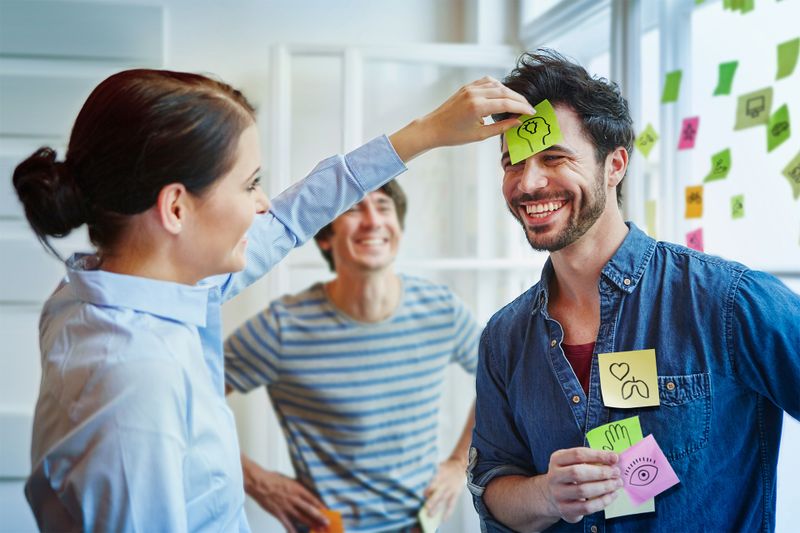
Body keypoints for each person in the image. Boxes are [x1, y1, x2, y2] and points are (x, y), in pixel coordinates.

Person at [12, 68, 533, 532]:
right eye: (250, 184)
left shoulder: (116, 290)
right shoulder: (135, 380)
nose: (262, 204)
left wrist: (426, 134)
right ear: (175, 208)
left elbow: (289, 219)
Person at [466, 50, 800, 532]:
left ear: (614, 164)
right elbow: (493, 489)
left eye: (554, 157)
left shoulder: (725, 301)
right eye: (512, 163)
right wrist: (546, 495)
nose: (529, 182)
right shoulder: (504, 338)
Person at [224, 179, 480, 533]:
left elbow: (502, 379)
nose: (373, 221)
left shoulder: (442, 310)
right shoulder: (282, 327)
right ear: (326, 237)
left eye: (384, 208)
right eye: (354, 209)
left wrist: (458, 462)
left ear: (398, 230)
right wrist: (254, 479)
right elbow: (191, 401)